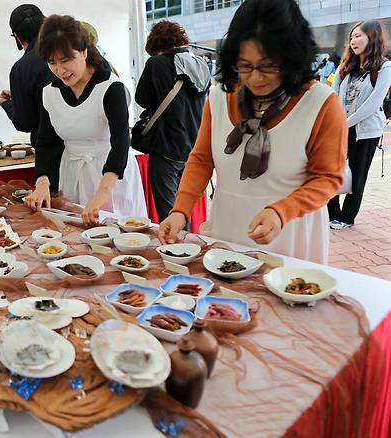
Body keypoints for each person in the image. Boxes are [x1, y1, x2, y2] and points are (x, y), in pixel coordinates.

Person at [158, 0, 347, 264]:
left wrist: (281, 211)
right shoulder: (219, 98)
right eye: (245, 66)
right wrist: (180, 211)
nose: (255, 77)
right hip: (229, 227)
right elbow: (201, 160)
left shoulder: (320, 103)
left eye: (268, 65)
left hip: (289, 233)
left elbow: (327, 178)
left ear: (292, 56)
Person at [24, 15, 147, 225]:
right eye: (51, 62)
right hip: (72, 172)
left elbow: (120, 143)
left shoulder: (110, 88)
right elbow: (45, 142)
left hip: (111, 175)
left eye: (66, 60)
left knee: (119, 239)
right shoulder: (50, 93)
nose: (60, 70)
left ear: (84, 51)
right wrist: (42, 181)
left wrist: (102, 194)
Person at [135, 21, 210, 221]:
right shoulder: (201, 64)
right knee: (184, 210)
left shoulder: (156, 64)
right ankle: (186, 248)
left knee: (169, 214)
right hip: (193, 147)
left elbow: (141, 99)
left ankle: (176, 249)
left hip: (166, 146)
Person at [0, 4, 62, 190]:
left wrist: (7, 104)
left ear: (17, 37)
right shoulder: (68, 52)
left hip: (52, 155)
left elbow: (25, 122)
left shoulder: (23, 68)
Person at [327, 20, 391, 230]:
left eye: (358, 36)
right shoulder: (345, 65)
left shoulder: (384, 67)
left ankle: (347, 217)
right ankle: (332, 213)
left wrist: (345, 123)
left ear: (372, 37)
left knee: (358, 172)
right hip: (340, 126)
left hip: (366, 130)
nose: (353, 40)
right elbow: (333, 96)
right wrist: (336, 123)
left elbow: (373, 104)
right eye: (352, 37)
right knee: (330, 169)